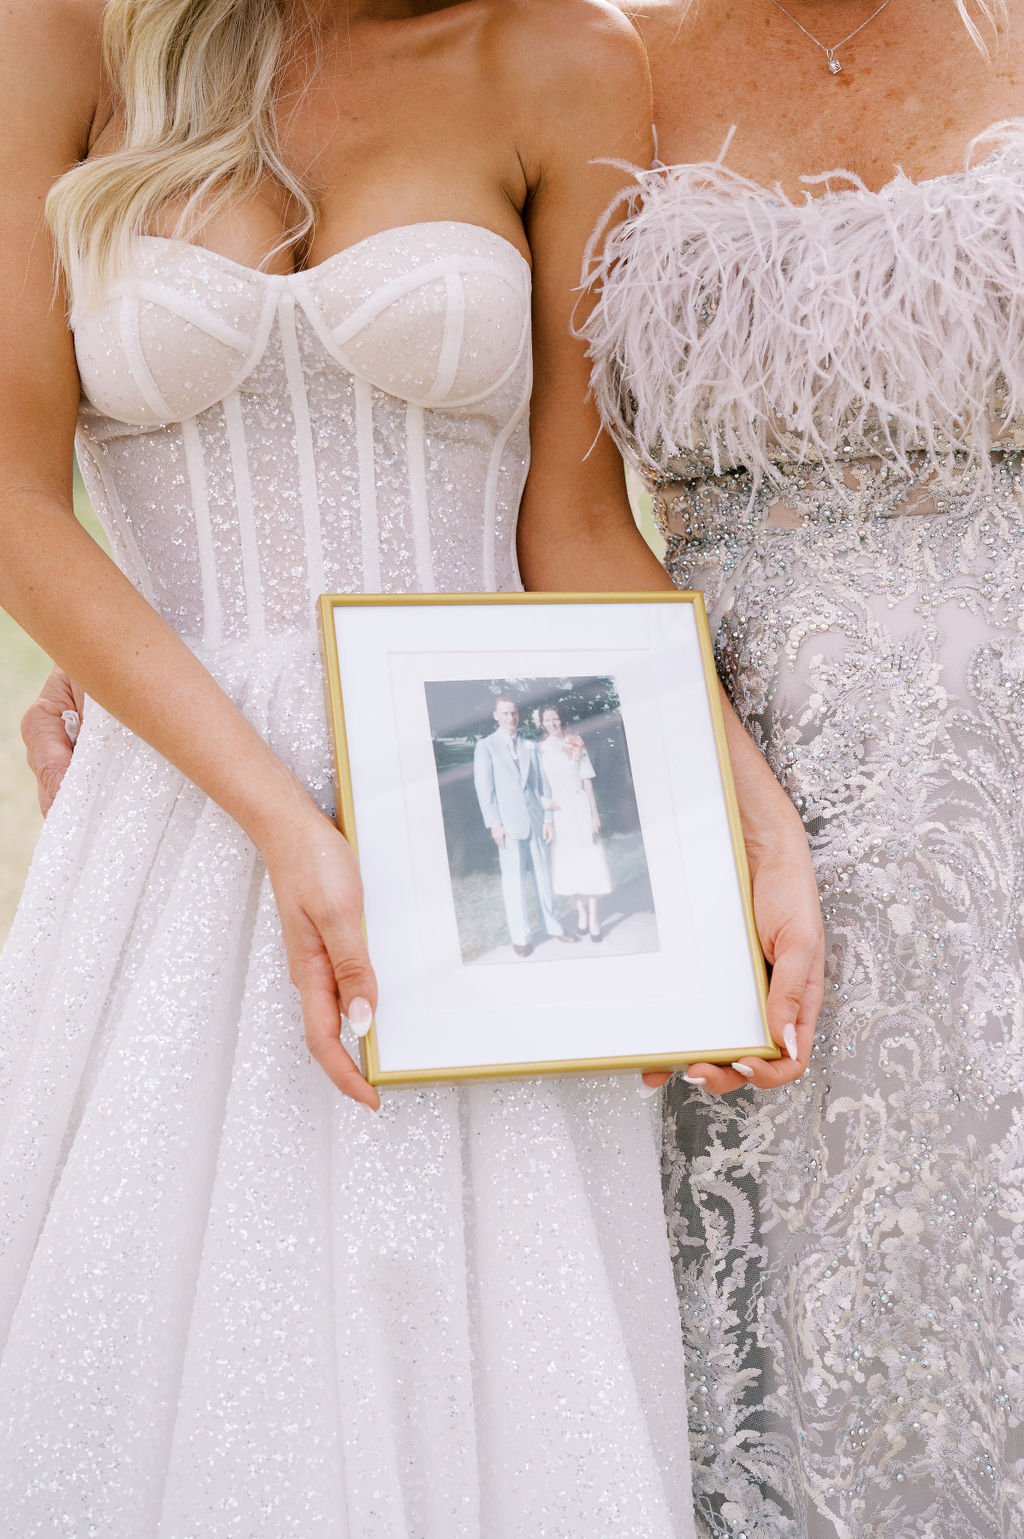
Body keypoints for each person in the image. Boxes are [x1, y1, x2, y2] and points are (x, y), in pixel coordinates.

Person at [7, 0, 826, 1532]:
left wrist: (752, 816)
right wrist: (283, 822)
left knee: (497, 1377)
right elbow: (12, 499)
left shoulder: (563, 60)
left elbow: (575, 533)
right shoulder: (60, 41)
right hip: (177, 831)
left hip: (483, 844)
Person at [586, 0, 1024, 1531]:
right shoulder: (591, 62)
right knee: (749, 1289)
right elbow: (485, 467)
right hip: (712, 760)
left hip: (1006, 783)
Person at [472, 696, 574, 957]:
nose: (510, 718)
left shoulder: (529, 745)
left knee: (544, 878)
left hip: (537, 821)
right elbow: (485, 791)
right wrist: (495, 824)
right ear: (496, 715)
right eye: (505, 714)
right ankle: (522, 937)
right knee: (514, 883)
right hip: (508, 826)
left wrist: (549, 819)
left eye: (514, 713)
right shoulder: (486, 747)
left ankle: (554, 927)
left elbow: (542, 784)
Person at [537, 704, 612, 940]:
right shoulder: (539, 751)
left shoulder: (576, 743)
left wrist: (594, 814)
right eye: (548, 720)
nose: (552, 723)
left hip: (580, 808)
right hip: (559, 814)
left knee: (591, 860)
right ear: (542, 724)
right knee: (569, 864)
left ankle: (593, 916)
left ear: (561, 720)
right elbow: (536, 784)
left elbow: (587, 781)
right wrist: (543, 801)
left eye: (556, 718)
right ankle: (580, 911)